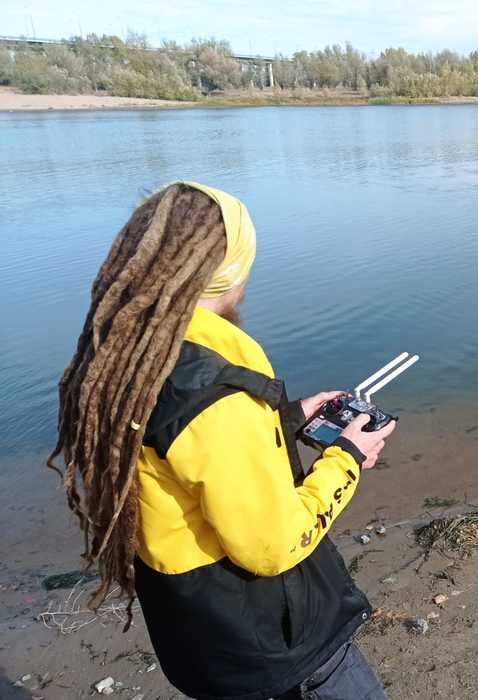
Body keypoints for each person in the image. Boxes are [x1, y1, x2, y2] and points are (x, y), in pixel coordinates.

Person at [48, 182, 395, 699]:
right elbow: (272, 546)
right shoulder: (216, 394)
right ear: (232, 272)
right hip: (278, 648)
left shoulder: (124, 360)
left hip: (199, 639)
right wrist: (346, 457)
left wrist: (287, 416)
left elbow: (186, 455)